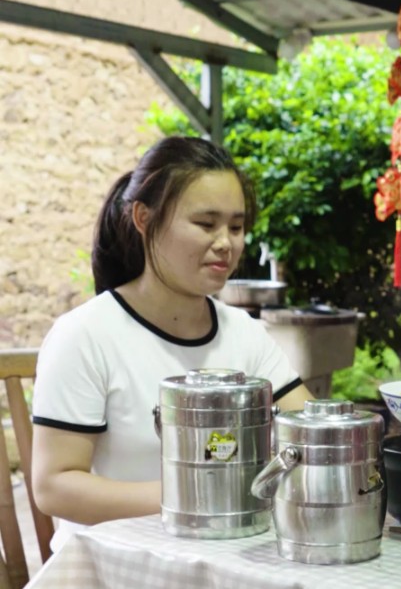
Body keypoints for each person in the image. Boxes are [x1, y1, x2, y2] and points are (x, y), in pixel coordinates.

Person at [31, 136, 314, 550]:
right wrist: (198, 497)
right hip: (117, 564)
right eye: (205, 224)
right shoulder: (86, 336)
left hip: (224, 557)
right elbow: (54, 487)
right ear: (144, 219)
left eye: (236, 227)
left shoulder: (244, 334)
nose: (226, 243)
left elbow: (309, 432)